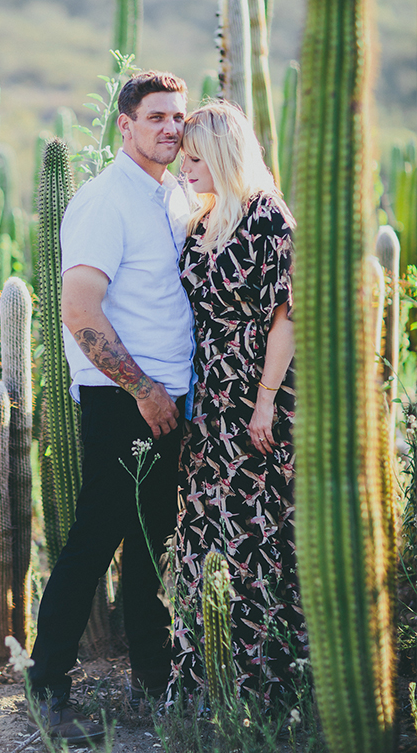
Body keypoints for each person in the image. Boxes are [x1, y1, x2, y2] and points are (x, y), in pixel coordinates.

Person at [27, 71, 195, 741]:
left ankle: (153, 686)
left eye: (178, 119)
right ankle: (48, 688)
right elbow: (79, 309)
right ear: (124, 124)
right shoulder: (104, 201)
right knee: (95, 542)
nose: (170, 130)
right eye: (156, 117)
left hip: (170, 402)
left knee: (156, 548)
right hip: (124, 401)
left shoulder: (175, 195)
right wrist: (144, 390)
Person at [169, 101, 307, 707]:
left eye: (197, 157)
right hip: (212, 394)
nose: (187, 166)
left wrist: (265, 402)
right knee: (207, 528)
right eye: (183, 156)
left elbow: (286, 318)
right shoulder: (206, 218)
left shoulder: (269, 219)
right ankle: (208, 677)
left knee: (260, 531)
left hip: (257, 390)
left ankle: (271, 679)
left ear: (224, 155)